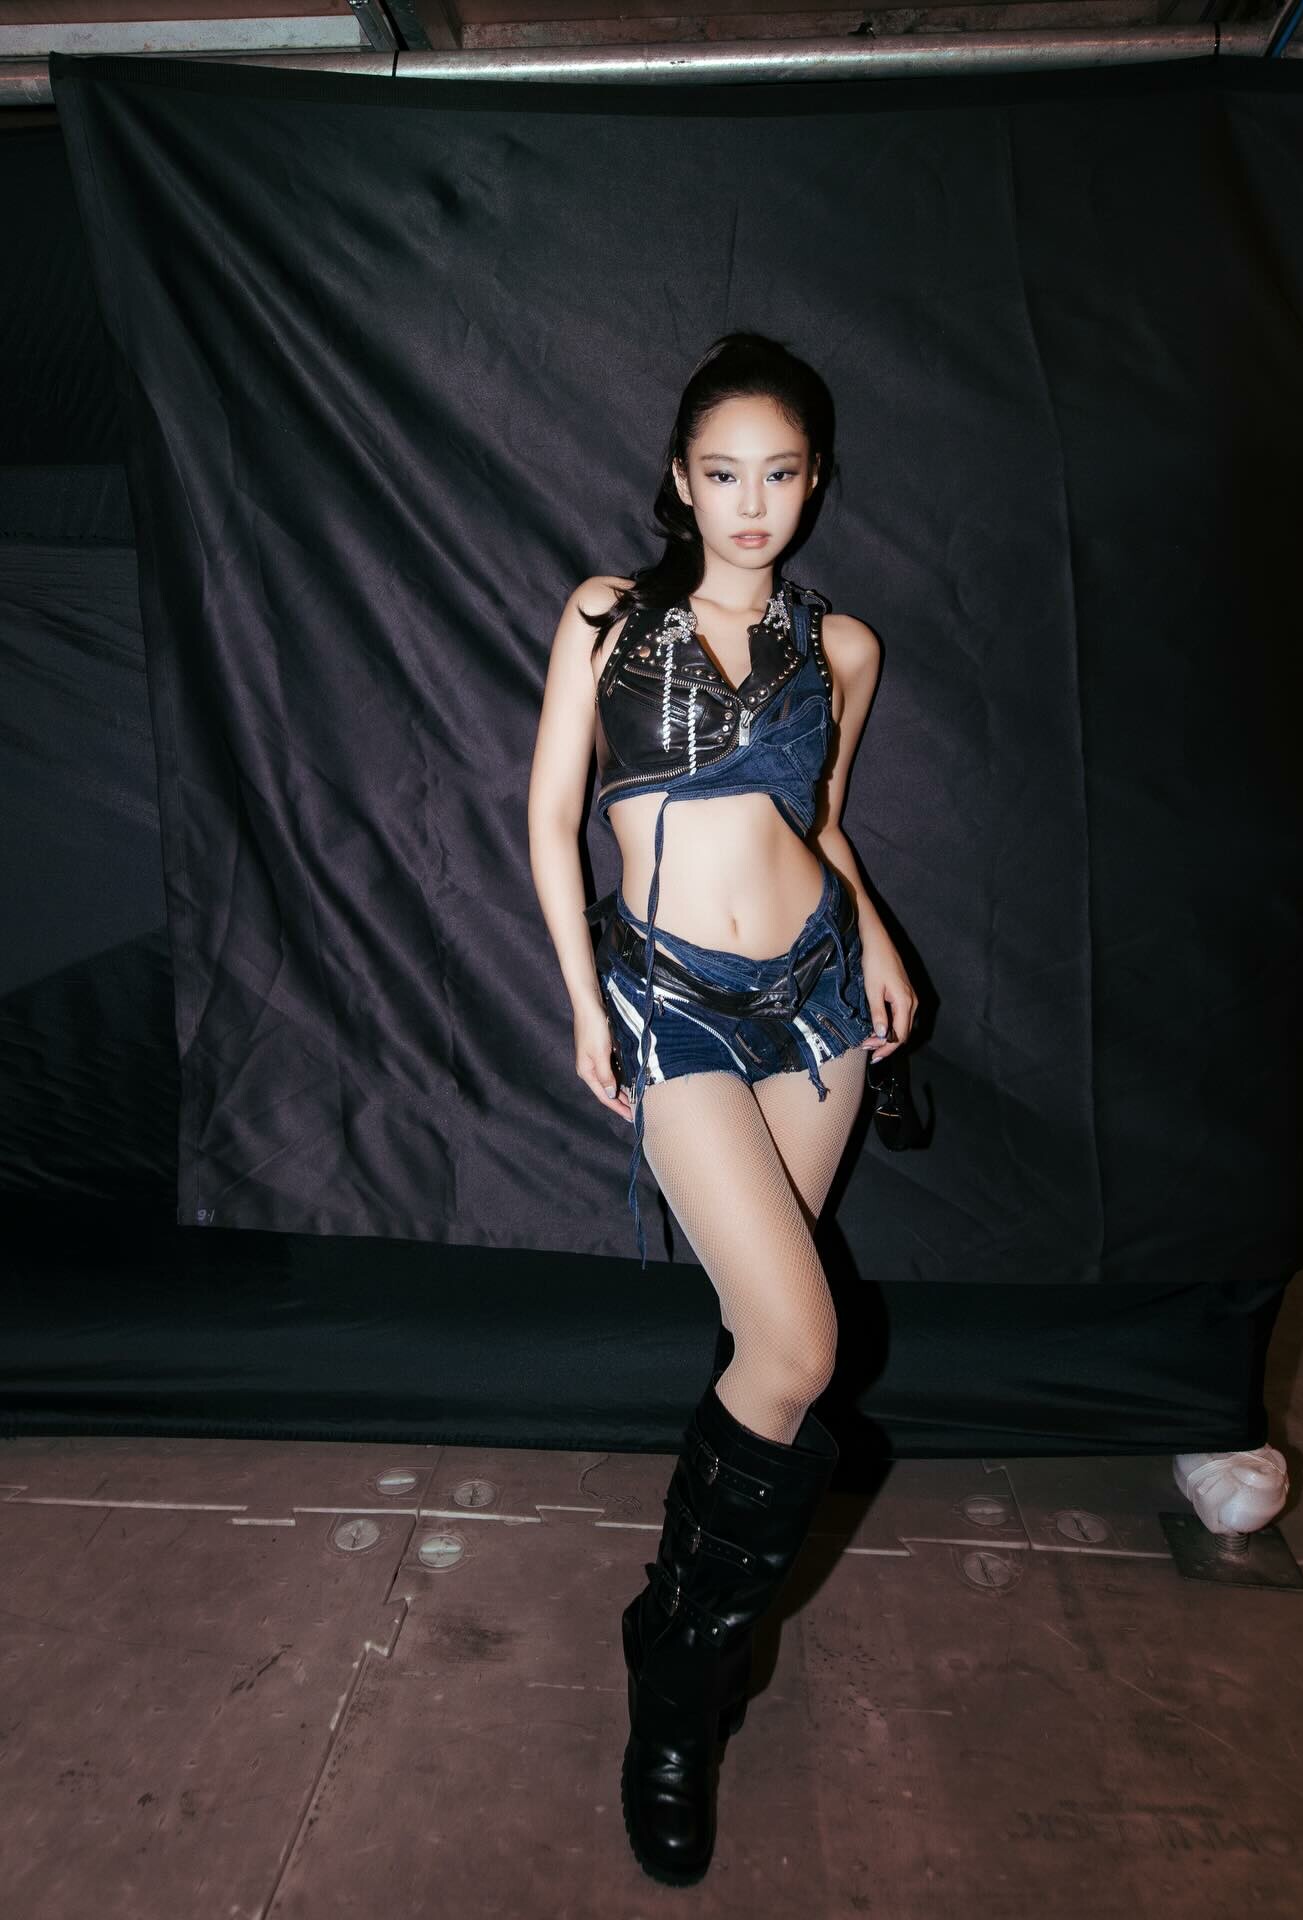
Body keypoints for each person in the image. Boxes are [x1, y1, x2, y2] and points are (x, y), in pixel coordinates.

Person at [526, 331, 918, 1884]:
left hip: (816, 1005)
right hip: (673, 1004)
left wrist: (879, 946)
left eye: (782, 474)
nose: (753, 502)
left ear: (814, 485)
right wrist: (584, 1002)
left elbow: (822, 820)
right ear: (679, 484)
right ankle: (677, 1697)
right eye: (723, 473)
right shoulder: (608, 619)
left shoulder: (845, 647)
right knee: (803, 1347)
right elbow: (550, 816)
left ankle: (679, 1624)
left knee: (765, 1340)